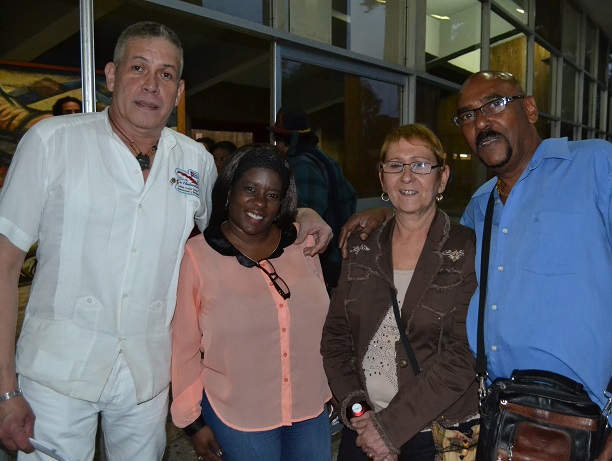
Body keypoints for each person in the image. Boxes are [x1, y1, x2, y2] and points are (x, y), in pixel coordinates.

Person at [0, 22, 330, 460]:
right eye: (139, 67)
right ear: (112, 75)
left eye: (166, 74)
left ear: (178, 92)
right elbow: (4, 268)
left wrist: (301, 213)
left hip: (145, 378)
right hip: (56, 374)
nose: (151, 85)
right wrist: (6, 390)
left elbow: (241, 225)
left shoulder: (193, 160)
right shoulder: (52, 142)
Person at [338, 71, 612, 461]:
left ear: (531, 108)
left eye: (495, 104)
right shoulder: (480, 206)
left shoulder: (597, 167)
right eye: (467, 115)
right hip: (503, 422)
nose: (481, 121)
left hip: (593, 425)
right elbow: (430, 242)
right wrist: (389, 215)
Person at [322, 124, 479, 461]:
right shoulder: (362, 247)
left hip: (435, 435)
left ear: (442, 178)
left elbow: (465, 354)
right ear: (382, 179)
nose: (407, 176)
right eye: (395, 165)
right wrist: (361, 414)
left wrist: (390, 428)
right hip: (363, 431)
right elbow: (336, 339)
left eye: (421, 164)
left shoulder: (467, 248)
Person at [171, 143, 332, 461]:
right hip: (239, 416)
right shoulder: (197, 256)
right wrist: (192, 422)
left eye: (273, 194)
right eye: (250, 189)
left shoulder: (304, 244)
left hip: (309, 407)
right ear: (229, 190)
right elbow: (184, 347)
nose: (260, 203)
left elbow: (327, 326)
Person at [270, 107, 357, 293]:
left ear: (288, 143)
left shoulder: (302, 165)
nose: (277, 146)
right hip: (335, 251)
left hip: (319, 255)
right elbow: (350, 197)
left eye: (278, 140)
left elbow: (305, 220)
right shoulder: (325, 159)